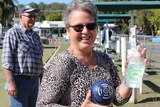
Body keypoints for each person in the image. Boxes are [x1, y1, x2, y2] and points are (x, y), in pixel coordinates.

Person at [36, 0, 147, 107]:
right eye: (78, 27)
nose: (85, 31)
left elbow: (117, 98)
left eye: (90, 26)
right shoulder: (62, 64)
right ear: (68, 30)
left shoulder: (104, 59)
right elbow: (42, 104)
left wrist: (130, 78)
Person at [2, 5, 43, 107]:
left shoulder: (36, 36)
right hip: (20, 82)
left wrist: (42, 79)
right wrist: (11, 83)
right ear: (21, 17)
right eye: (30, 16)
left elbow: (39, 60)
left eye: (34, 16)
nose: (33, 19)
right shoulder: (13, 33)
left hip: (34, 82)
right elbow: (7, 61)